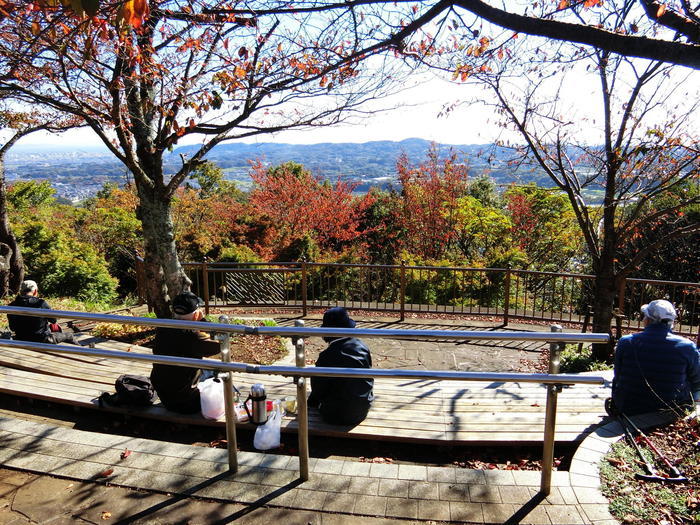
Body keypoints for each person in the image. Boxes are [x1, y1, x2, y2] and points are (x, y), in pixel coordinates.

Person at [611, 299, 700, 416]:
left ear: (648, 320)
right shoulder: (687, 346)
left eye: (644, 316)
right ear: (671, 322)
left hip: (629, 408)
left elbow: (618, 375)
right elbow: (697, 380)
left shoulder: (626, 342)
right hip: (673, 410)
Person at [150, 291, 220, 414]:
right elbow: (219, 346)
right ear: (196, 314)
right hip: (188, 402)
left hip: (165, 397)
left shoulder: (162, 329)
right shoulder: (193, 337)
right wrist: (202, 321)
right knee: (218, 372)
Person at [308, 307, 374, 425]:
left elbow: (318, 390)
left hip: (334, 415)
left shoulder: (326, 356)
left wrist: (310, 403)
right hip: (362, 410)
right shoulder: (363, 348)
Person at [7, 280, 76, 344]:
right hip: (42, 340)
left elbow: (12, 327)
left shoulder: (12, 305)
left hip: (21, 339)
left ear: (21, 291)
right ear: (35, 291)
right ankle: (83, 352)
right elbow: (53, 320)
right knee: (69, 335)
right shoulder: (41, 303)